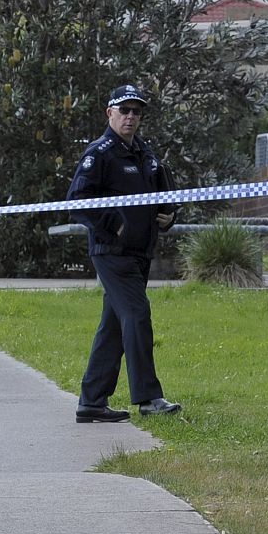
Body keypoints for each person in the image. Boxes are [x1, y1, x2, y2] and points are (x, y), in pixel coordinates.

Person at [66, 84, 182, 423]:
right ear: (110, 113)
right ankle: (149, 398)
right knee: (137, 314)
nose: (130, 116)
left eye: (136, 111)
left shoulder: (145, 153)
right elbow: (77, 202)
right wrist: (113, 225)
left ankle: (92, 402)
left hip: (140, 252)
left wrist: (169, 216)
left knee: (114, 326)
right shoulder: (100, 153)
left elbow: (163, 197)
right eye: (124, 110)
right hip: (112, 252)